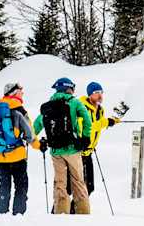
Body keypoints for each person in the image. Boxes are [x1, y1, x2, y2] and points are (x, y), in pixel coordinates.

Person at [34, 77, 93, 214]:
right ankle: (83, 214)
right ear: (69, 88)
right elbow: (87, 120)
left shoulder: (48, 106)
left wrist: (36, 141)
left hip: (55, 151)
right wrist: (85, 138)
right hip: (72, 149)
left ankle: (61, 214)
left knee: (60, 183)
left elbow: (36, 125)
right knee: (78, 181)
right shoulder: (74, 103)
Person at [0, 82, 40, 217]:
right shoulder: (19, 110)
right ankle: (17, 217)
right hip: (17, 157)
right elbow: (29, 134)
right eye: (20, 91)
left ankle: (1, 216)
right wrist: (39, 146)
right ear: (14, 93)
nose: (22, 93)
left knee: (4, 188)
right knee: (21, 187)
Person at [71, 81, 120, 206]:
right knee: (72, 187)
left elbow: (98, 126)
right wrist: (105, 122)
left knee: (89, 186)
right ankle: (66, 211)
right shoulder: (82, 107)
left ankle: (76, 209)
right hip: (78, 152)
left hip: (89, 151)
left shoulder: (100, 110)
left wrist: (111, 121)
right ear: (89, 95)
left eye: (101, 92)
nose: (100, 95)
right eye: (96, 93)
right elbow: (87, 127)